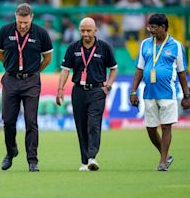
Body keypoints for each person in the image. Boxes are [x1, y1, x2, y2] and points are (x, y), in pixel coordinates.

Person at [0, 3, 53, 172]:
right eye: (20, 22)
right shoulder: (5, 31)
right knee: (8, 121)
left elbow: (48, 58)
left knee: (31, 121)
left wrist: (34, 72)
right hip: (11, 80)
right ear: (15, 17)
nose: (22, 25)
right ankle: (11, 151)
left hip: (31, 82)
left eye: (25, 22)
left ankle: (32, 160)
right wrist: (10, 67)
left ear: (31, 18)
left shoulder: (41, 33)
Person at [129, 13, 190, 171]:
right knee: (150, 129)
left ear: (164, 27)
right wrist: (133, 91)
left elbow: (182, 73)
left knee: (166, 127)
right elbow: (139, 69)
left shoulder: (176, 46)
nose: (151, 30)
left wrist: (186, 95)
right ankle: (166, 155)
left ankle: (163, 162)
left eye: (154, 27)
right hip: (149, 92)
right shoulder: (145, 44)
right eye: (149, 27)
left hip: (168, 93)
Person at [56, 17, 117, 171]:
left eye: (89, 30)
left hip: (97, 91)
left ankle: (92, 157)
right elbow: (65, 70)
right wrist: (60, 89)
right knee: (81, 126)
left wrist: (108, 87)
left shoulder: (104, 47)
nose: (85, 34)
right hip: (78, 91)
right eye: (82, 30)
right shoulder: (73, 48)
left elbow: (113, 69)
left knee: (93, 124)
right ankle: (84, 161)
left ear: (95, 31)